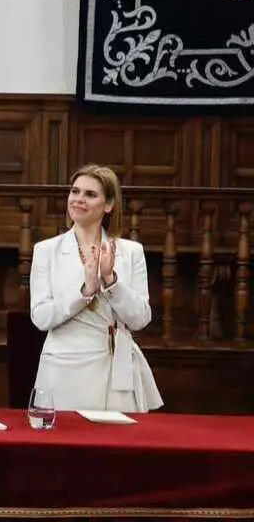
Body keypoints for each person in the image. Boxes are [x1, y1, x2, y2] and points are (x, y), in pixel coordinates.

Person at [30, 164, 161, 412]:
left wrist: (110, 281)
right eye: (75, 191)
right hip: (65, 369)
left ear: (108, 205)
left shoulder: (131, 252)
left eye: (90, 194)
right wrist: (86, 291)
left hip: (116, 371)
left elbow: (140, 318)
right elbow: (41, 317)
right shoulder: (46, 250)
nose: (79, 199)